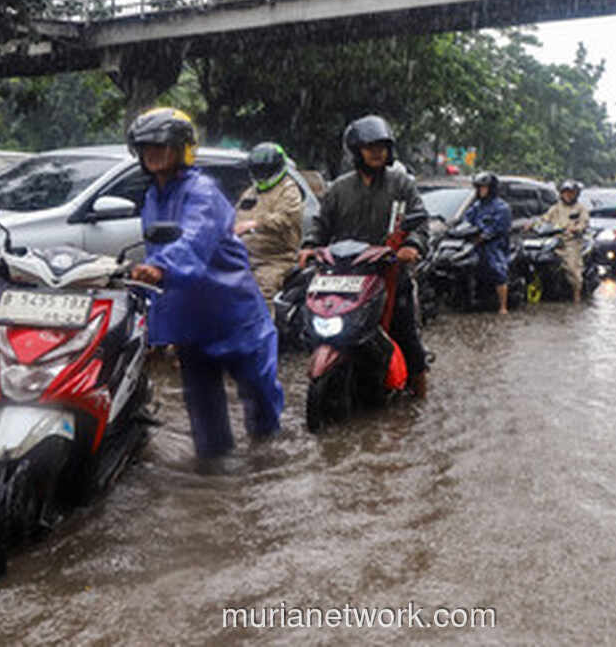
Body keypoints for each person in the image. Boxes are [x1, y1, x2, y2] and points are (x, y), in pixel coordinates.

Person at [127, 108, 284, 460]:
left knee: (261, 405)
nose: (152, 153)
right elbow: (155, 252)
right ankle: (212, 483)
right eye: (145, 147)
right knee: (205, 419)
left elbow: (194, 240)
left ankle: (268, 470)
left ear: (182, 148)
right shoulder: (152, 197)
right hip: (190, 321)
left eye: (160, 146)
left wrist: (159, 268)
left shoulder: (203, 192)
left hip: (232, 313)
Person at [299, 115, 431, 398]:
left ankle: (421, 400)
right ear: (357, 149)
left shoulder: (401, 184)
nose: (376, 152)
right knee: (313, 327)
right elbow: (321, 224)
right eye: (370, 146)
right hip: (344, 278)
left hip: (391, 275)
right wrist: (309, 246)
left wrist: (413, 245)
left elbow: (420, 223)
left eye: (382, 146)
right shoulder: (339, 189)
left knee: (407, 337)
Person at [234, 142, 304, 309]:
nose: (262, 175)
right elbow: (236, 216)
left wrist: (256, 223)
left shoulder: (289, 190)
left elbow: (286, 219)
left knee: (264, 292)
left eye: (265, 170)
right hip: (245, 257)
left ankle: (268, 332)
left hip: (275, 260)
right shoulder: (251, 192)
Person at [464, 172, 513, 314]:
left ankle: (503, 306)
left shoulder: (502, 207)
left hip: (494, 245)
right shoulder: (477, 206)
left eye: (483, 188)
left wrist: (485, 236)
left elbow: (500, 228)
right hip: (476, 243)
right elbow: (466, 221)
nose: (481, 191)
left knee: (497, 270)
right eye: (479, 188)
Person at [539, 179, 591, 303]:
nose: (568, 195)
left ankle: (576, 295)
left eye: (571, 193)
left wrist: (576, 228)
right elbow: (544, 219)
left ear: (576, 194)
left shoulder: (580, 209)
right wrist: (532, 225)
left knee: (573, 269)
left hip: (571, 242)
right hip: (554, 240)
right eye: (565, 193)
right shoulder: (555, 208)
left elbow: (584, 223)